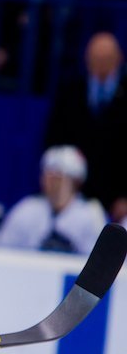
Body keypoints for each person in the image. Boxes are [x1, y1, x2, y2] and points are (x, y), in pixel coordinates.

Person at [45, 32, 127, 221]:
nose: (101, 63)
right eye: (96, 58)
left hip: (117, 195)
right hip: (74, 193)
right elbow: (54, 141)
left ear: (119, 59)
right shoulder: (70, 92)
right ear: (87, 59)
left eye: (106, 58)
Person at [0, 145, 106, 255]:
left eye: (60, 177)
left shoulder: (91, 214)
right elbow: (4, 251)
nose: (54, 184)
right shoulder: (26, 209)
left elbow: (100, 259)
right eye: (49, 176)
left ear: (76, 182)